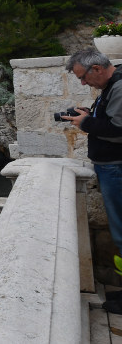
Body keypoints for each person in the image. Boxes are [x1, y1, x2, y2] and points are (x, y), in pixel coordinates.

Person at [61, 49, 122, 253]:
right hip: (111, 168)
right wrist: (91, 115)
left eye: (83, 78)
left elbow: (118, 131)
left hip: (116, 169)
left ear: (96, 68)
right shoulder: (111, 85)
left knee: (121, 231)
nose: (83, 84)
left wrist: (86, 122)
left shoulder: (119, 87)